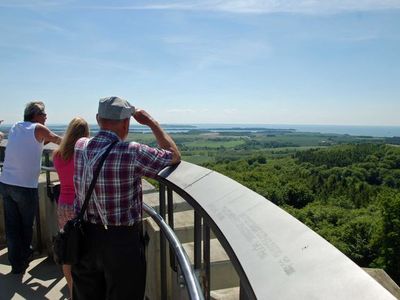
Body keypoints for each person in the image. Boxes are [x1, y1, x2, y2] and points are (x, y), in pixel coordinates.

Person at [72, 96, 180, 300]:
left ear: (97, 118)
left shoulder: (80, 146)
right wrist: (151, 122)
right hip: (121, 243)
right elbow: (173, 155)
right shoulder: (132, 151)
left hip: (84, 237)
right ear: (126, 123)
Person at [0, 101, 62, 274]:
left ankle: (15, 263)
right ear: (35, 115)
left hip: (6, 183)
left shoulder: (15, 126)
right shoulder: (38, 129)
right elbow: (59, 140)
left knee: (12, 226)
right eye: (44, 114)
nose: (46, 117)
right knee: (26, 226)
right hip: (24, 186)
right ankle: (24, 257)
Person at [53, 117, 89, 298]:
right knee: (83, 252)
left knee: (67, 250)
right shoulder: (83, 155)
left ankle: (71, 291)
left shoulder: (57, 155)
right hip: (80, 206)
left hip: (63, 205)